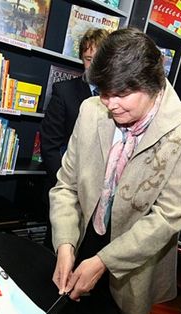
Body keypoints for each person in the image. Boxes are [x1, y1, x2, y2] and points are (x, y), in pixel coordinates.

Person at [49, 27, 181, 314]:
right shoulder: (91, 110)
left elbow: (167, 218)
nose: (110, 104)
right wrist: (65, 244)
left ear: (153, 83)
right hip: (82, 241)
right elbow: (66, 186)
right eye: (103, 92)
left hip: (134, 262)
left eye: (121, 94)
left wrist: (103, 262)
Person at [40, 28, 109, 249]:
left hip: (101, 198)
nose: (93, 65)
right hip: (67, 191)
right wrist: (68, 186)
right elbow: (50, 146)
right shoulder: (64, 92)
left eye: (99, 59)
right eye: (89, 59)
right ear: (82, 59)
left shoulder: (116, 97)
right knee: (58, 248)